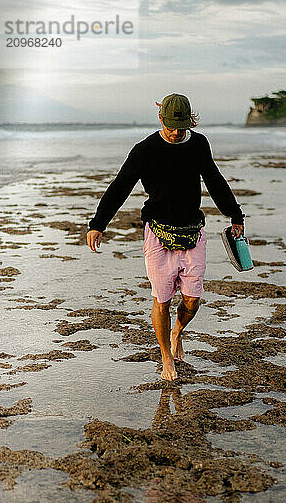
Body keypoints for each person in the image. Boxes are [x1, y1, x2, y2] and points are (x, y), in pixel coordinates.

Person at [87, 93, 244, 381]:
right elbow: (120, 186)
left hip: (192, 232)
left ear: (189, 123)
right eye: (171, 126)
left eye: (181, 127)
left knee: (192, 300)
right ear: (161, 119)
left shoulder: (198, 144)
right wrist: (98, 223)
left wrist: (235, 215)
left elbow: (215, 180)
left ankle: (177, 332)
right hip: (158, 234)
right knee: (162, 301)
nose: (175, 132)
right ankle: (165, 356)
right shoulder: (144, 150)